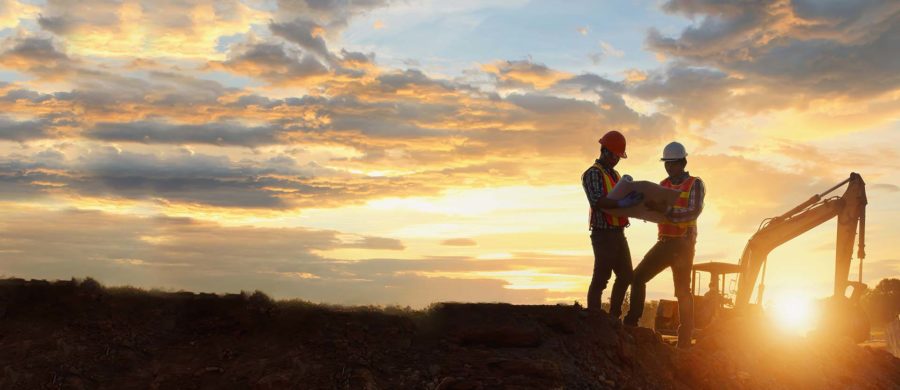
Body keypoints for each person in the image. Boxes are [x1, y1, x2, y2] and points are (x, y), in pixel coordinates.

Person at [624, 141, 705, 349]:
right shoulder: (662, 185)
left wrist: (666, 211)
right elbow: (657, 213)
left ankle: (685, 339)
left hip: (683, 245)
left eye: (673, 163)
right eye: (666, 163)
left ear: (683, 162)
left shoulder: (694, 184)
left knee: (682, 291)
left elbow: (692, 212)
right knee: (638, 277)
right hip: (665, 242)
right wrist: (645, 208)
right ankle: (631, 325)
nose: (669, 167)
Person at [581, 130, 643, 318]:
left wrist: (632, 199)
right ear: (605, 151)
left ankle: (613, 317)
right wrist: (621, 203)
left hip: (617, 233)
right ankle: (594, 318)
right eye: (615, 155)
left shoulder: (615, 174)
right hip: (603, 234)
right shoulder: (592, 174)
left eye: (619, 157)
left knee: (626, 276)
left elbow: (618, 197)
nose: (617, 160)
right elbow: (597, 201)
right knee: (601, 278)